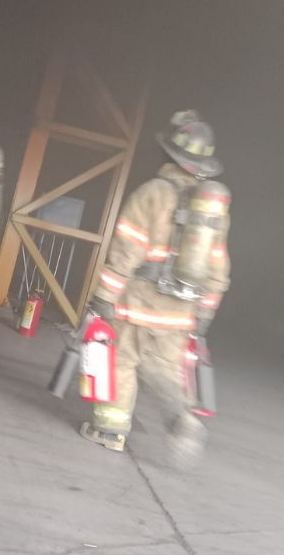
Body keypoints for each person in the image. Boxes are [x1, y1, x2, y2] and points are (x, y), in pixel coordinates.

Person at [80, 110, 231, 470]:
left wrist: (104, 296)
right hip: (181, 312)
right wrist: (205, 312)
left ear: (169, 155)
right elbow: (219, 266)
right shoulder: (213, 210)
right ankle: (183, 420)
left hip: (137, 303)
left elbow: (126, 251)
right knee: (163, 370)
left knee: (122, 363)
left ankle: (110, 431)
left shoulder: (152, 193)